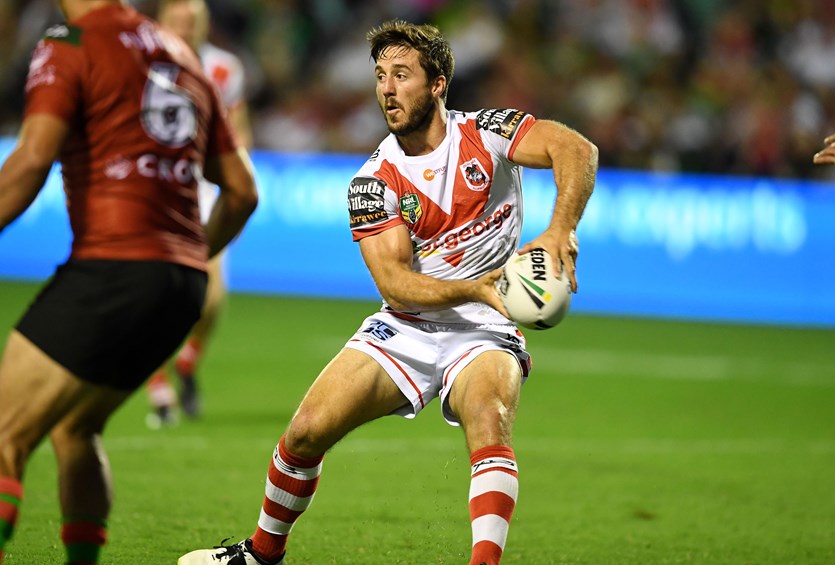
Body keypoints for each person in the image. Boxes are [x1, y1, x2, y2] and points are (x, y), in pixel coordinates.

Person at [179, 18, 597, 565]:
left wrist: (561, 226)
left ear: (438, 84)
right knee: (303, 435)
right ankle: (260, 554)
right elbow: (394, 283)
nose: (387, 89)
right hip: (406, 324)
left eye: (402, 75)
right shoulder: (374, 179)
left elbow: (577, 149)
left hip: (486, 328)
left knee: (488, 418)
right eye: (380, 76)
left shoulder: (489, 131)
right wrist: (479, 285)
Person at [0, 1, 257, 563]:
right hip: (182, 285)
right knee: (76, 427)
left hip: (114, 268)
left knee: (4, 435)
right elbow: (243, 191)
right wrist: (188, 256)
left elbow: (31, 160)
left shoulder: (70, 43)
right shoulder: (184, 55)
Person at [146, 0, 254, 426]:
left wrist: (237, 170)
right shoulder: (143, 61)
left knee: (210, 296)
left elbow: (238, 125)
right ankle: (158, 387)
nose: (185, 27)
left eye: (192, 20)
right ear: (161, 22)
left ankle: (187, 360)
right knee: (154, 286)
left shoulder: (224, 68)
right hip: (158, 184)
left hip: (207, 186)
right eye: (177, 19)